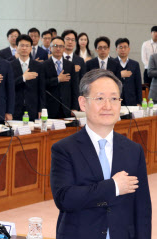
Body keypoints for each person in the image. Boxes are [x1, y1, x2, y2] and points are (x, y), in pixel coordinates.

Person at [50, 69, 152, 239]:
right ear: (83, 103)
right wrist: (113, 187)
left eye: (114, 99)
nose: (107, 106)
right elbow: (65, 198)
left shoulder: (134, 150)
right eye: (99, 98)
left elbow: (142, 209)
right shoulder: (64, 149)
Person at [42, 37, 78, 119]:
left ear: (64, 48)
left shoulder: (70, 65)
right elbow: (42, 84)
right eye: (55, 46)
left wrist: (75, 107)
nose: (58, 48)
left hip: (67, 107)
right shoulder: (44, 65)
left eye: (61, 46)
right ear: (50, 48)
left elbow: (74, 87)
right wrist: (57, 79)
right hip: (50, 108)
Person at [11, 34, 44, 120]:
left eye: (27, 46)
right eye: (21, 45)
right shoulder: (10, 65)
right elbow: (9, 86)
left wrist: (41, 109)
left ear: (31, 48)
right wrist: (23, 78)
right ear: (16, 47)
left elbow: (42, 89)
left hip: (33, 108)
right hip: (15, 108)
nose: (24, 48)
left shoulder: (38, 66)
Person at [114, 38, 142, 106]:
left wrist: (139, 102)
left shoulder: (135, 64)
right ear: (116, 49)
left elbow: (138, 84)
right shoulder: (112, 63)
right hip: (116, 99)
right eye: (120, 47)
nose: (123, 49)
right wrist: (120, 75)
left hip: (132, 100)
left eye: (125, 47)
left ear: (129, 49)